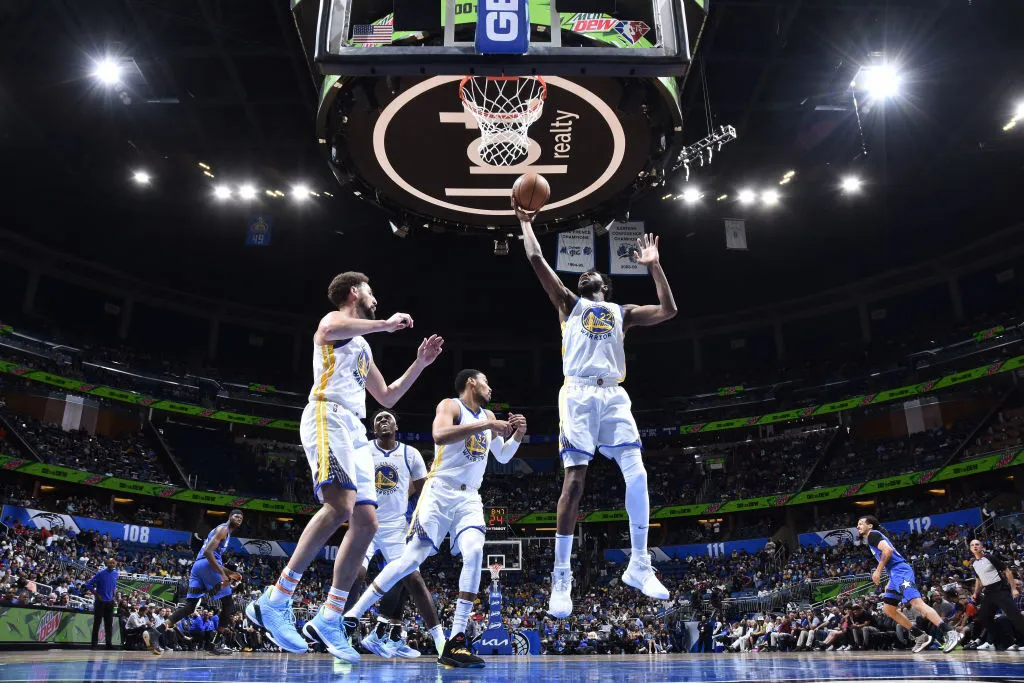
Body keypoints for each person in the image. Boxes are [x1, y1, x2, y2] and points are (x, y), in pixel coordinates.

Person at [247, 271, 444, 661]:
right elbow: (335, 324)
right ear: (355, 293)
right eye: (371, 291)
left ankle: (330, 614)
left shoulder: (363, 349)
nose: (376, 297)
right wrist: (386, 325)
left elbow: (386, 396)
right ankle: (276, 598)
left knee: (367, 523)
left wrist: (419, 364)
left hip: (356, 429)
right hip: (327, 415)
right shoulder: (332, 324)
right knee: (338, 506)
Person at [515, 202, 677, 617]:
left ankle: (640, 564)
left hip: (615, 395)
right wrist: (525, 223)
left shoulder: (622, 314)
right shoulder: (569, 304)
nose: (585, 275)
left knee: (637, 471)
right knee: (574, 482)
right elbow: (535, 260)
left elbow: (669, 311)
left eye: (593, 275)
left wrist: (655, 267)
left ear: (605, 285)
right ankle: (561, 577)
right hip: (579, 394)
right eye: (581, 275)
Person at [343, 369, 527, 668]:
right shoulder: (451, 405)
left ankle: (455, 641)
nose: (490, 388)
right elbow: (439, 435)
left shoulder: (488, 415)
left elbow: (503, 456)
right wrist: (487, 424)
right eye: (486, 381)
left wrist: (516, 434)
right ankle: (352, 616)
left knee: (475, 552)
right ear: (472, 383)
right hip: (439, 491)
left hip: (470, 497)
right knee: (411, 560)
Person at [357, 410, 447, 659]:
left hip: (401, 527)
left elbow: (421, 493)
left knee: (408, 579)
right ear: (373, 429)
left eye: (388, 418)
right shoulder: (365, 452)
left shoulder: (412, 459)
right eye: (378, 420)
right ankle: (357, 631)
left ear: (397, 425)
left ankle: (394, 634)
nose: (383, 421)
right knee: (368, 575)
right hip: (370, 523)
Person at [856, 515, 961, 653]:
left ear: (870, 525)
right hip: (895, 574)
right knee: (888, 609)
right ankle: (920, 636)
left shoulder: (873, 535)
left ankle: (950, 632)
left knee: (917, 603)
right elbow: (890, 559)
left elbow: (888, 551)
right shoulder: (873, 537)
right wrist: (890, 579)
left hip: (900, 572)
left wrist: (878, 571)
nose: (858, 526)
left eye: (861, 523)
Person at [162, 509, 244, 655]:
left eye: (241, 518)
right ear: (230, 517)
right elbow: (208, 552)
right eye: (236, 516)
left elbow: (212, 556)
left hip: (199, 567)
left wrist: (230, 573)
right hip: (207, 565)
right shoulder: (224, 528)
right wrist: (222, 574)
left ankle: (156, 631)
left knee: (190, 606)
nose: (239, 519)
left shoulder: (223, 531)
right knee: (228, 604)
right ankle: (215, 643)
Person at [968, 538, 1024, 649]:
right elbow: (979, 579)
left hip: (1000, 589)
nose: (975, 546)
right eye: (972, 545)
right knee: (983, 617)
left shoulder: (990, 558)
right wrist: (976, 593)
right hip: (988, 592)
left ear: (981, 547)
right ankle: (1007, 641)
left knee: (1015, 616)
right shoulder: (974, 563)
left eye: (977, 544)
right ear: (970, 549)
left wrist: (1013, 589)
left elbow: (1007, 571)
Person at [84, 557, 118, 650]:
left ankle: (108, 644)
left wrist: (114, 596)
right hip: (100, 602)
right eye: (110, 563)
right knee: (97, 623)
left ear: (115, 564)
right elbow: (88, 584)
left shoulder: (116, 574)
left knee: (109, 624)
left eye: (113, 563)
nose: (111, 564)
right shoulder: (100, 573)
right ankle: (94, 644)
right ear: (107, 563)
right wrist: (96, 594)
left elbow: (114, 586)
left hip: (110, 602)